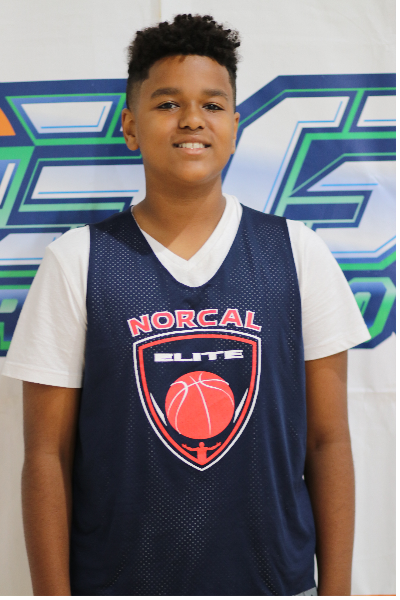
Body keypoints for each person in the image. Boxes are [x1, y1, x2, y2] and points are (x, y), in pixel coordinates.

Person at [3, 14, 370, 597]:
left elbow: (329, 442)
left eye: (213, 105)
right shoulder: (77, 261)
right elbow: (47, 455)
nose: (192, 119)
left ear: (236, 126)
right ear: (130, 126)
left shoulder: (297, 252)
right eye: (168, 103)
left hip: (275, 583)